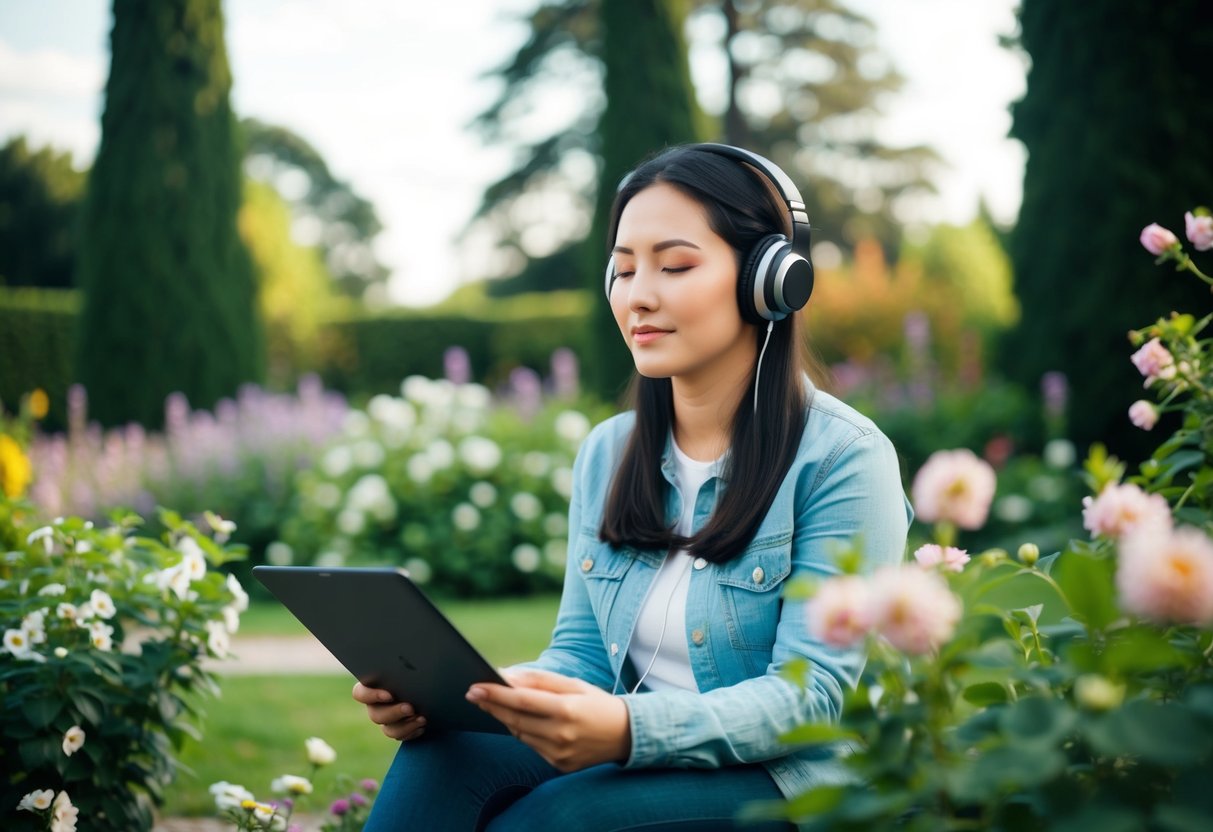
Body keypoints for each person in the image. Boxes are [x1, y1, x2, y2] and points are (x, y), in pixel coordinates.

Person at [355, 143, 912, 831]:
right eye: (622, 270)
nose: (638, 295)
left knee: (559, 820)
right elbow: (582, 656)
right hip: (638, 740)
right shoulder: (608, 452)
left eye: (674, 265)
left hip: (793, 778)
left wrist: (626, 729)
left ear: (769, 281)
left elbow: (811, 698)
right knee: (442, 754)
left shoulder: (843, 461)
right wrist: (481, 695)